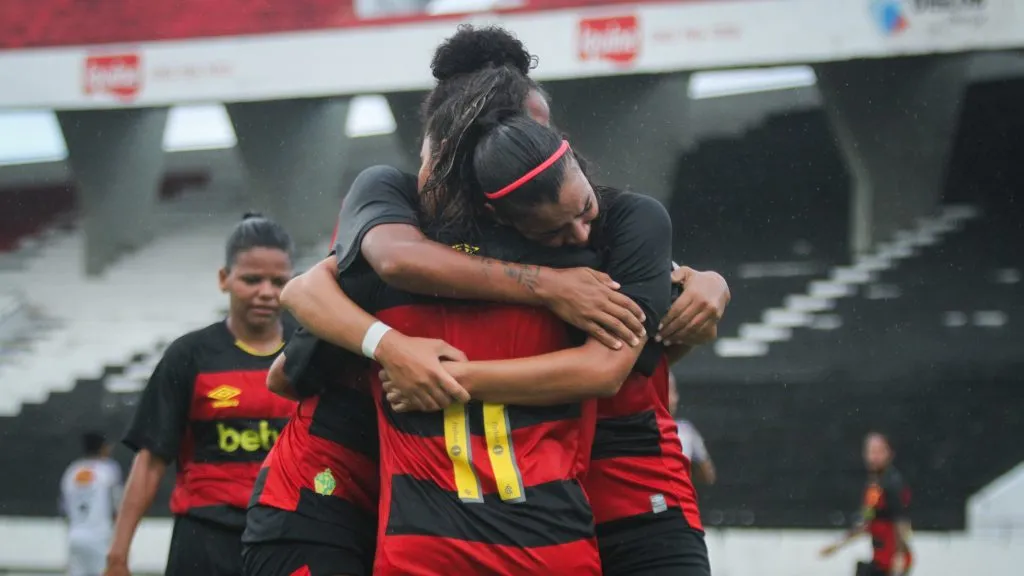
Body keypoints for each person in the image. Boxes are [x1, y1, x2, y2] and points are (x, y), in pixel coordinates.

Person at [282, 27, 727, 576]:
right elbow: (308, 307)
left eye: (537, 129)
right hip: (399, 506)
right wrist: (396, 346)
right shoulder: (396, 205)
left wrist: (704, 285)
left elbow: (617, 365)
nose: (579, 233)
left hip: (629, 494)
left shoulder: (622, 221)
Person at [104, 214, 297, 576]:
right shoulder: (188, 355)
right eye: (252, 279)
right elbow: (151, 460)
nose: (266, 292)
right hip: (205, 539)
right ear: (224, 279)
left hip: (287, 537)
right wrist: (118, 555)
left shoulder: (310, 354)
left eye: (279, 281)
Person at [821, 432, 913, 576]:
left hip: (893, 560)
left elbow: (901, 521)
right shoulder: (873, 486)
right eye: (871, 451)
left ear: (889, 453)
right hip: (881, 559)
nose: (874, 457)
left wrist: (899, 555)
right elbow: (867, 521)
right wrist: (838, 544)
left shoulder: (893, 484)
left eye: (879, 451)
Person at [61, 432, 123, 576]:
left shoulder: (72, 471)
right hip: (100, 537)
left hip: (75, 537)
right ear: (102, 448)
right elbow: (118, 504)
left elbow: (64, 508)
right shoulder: (108, 469)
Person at [667, 371, 717, 485]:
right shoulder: (636, 431)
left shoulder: (686, 431)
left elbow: (708, 475)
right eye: (668, 391)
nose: (675, 399)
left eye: (673, 391)